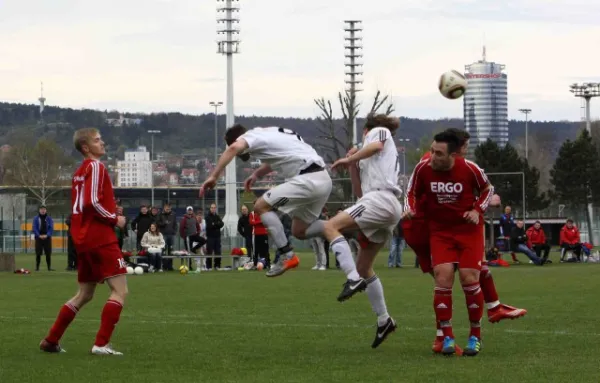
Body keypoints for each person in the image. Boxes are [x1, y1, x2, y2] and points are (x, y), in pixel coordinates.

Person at [402, 128, 526, 355]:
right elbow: (410, 192)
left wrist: (478, 210)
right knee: (443, 276)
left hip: (467, 231)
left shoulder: (470, 169)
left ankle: (474, 336)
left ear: (453, 154)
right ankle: (446, 337)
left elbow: (488, 190)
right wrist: (409, 208)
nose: (432, 157)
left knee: (470, 277)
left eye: (438, 153)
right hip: (436, 231)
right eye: (431, 151)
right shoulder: (424, 168)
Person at [200, 124, 332, 277]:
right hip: (322, 176)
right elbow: (279, 157)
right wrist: (257, 174)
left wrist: (214, 176)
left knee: (261, 206)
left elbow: (233, 149)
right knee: (299, 231)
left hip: (306, 179)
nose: (237, 154)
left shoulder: (249, 137)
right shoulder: (271, 133)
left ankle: (287, 254)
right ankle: (341, 224)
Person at [40, 127, 128, 355]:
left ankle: (51, 340)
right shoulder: (96, 166)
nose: (103, 143)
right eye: (98, 140)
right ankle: (101, 344)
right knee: (120, 291)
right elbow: (90, 202)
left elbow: (84, 203)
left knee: (85, 293)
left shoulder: (79, 172)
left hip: (83, 238)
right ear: (86, 147)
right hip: (99, 236)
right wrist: (114, 218)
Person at [324, 114, 402, 349]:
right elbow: (359, 193)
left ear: (367, 129)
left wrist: (353, 156)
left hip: (383, 198)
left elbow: (375, 145)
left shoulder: (379, 132)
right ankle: (384, 319)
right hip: (377, 203)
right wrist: (353, 165)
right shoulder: (368, 159)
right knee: (364, 267)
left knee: (330, 226)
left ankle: (351, 280)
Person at [33, 205, 54, 271]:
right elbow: (34, 228)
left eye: (44, 209)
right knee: (38, 253)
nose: (43, 210)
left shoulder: (49, 218)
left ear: (46, 210)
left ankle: (49, 268)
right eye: (41, 209)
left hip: (47, 238)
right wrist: (39, 235)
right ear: (39, 210)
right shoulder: (36, 218)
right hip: (39, 237)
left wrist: (47, 235)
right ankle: (37, 267)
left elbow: (51, 228)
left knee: (48, 253)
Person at [157, 203, 177, 270]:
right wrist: (164, 223)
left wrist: (174, 231)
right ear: (164, 208)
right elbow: (157, 223)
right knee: (164, 250)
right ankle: (164, 265)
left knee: (171, 251)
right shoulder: (160, 214)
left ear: (170, 208)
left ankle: (170, 266)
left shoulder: (173, 214)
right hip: (163, 235)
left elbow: (175, 224)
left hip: (171, 235)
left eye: (169, 208)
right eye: (166, 208)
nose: (167, 209)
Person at [205, 203, 224, 270]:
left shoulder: (217, 216)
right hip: (210, 237)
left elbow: (222, 224)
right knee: (209, 252)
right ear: (210, 208)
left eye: (214, 208)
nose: (213, 209)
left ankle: (217, 266)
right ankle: (209, 266)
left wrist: (214, 224)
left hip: (217, 237)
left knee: (218, 252)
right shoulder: (207, 217)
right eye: (212, 207)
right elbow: (210, 226)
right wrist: (217, 224)